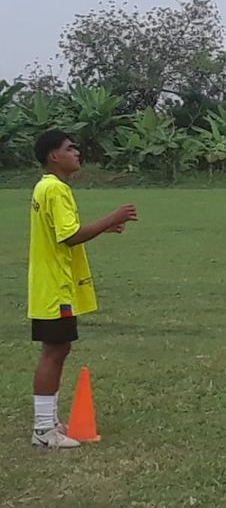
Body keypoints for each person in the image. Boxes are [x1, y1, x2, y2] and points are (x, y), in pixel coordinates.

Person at [28, 130, 138, 449]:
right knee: (55, 350)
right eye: (69, 148)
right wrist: (111, 218)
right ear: (54, 156)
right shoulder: (56, 189)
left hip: (50, 283)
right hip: (55, 285)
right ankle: (43, 429)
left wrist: (104, 228)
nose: (77, 152)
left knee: (58, 349)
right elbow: (70, 236)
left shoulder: (46, 187)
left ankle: (49, 422)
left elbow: (65, 233)